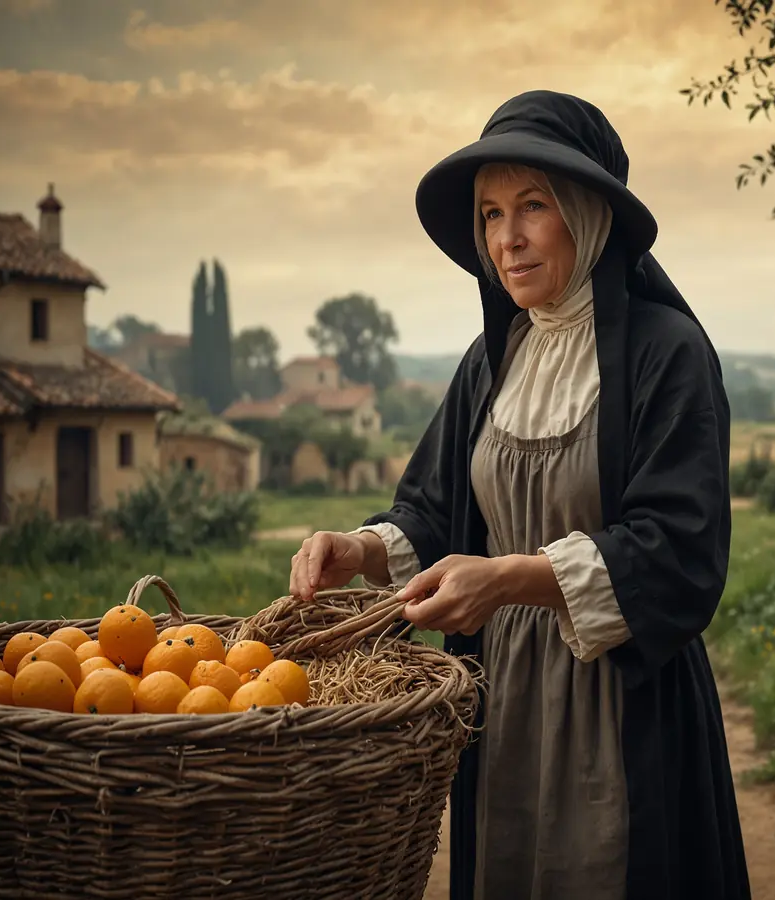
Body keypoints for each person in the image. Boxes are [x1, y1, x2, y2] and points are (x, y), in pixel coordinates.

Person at [288, 89, 750, 900]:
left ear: (588, 212)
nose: (508, 237)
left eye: (533, 206)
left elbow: (679, 550)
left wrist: (506, 579)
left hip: (620, 701)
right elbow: (436, 510)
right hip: (501, 700)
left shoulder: (665, 355)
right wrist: (359, 549)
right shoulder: (493, 358)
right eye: (491, 213)